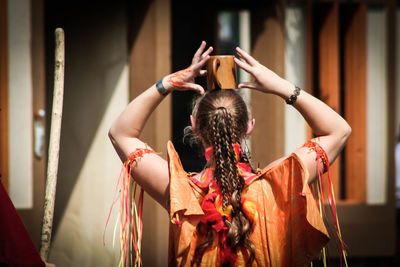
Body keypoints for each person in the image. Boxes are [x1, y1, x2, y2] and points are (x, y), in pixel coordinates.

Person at [108, 41, 351, 266]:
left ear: (194, 125)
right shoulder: (276, 186)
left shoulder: (184, 195)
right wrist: (281, 86)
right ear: (249, 127)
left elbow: (121, 133)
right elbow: (338, 131)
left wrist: (168, 83)